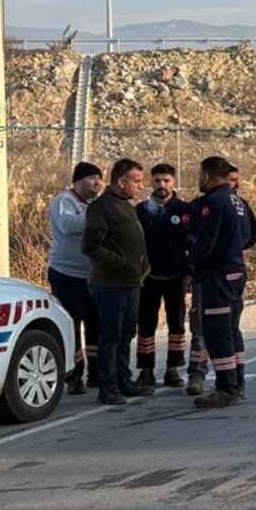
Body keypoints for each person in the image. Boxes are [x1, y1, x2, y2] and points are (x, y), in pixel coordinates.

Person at [81, 157, 153, 406]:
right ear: (121, 182)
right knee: (110, 337)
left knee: (125, 335)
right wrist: (121, 263)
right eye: (137, 181)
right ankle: (108, 386)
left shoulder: (126, 205)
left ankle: (124, 380)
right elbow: (91, 246)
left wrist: (142, 269)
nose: (141, 186)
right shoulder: (101, 208)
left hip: (131, 284)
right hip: (111, 284)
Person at [190, 155, 255, 409]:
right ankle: (237, 384)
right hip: (235, 272)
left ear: (206, 176)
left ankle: (226, 388)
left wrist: (191, 263)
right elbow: (249, 235)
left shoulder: (213, 203)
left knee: (218, 333)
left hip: (217, 276)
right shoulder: (237, 202)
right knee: (231, 330)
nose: (199, 180)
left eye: (199, 176)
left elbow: (205, 242)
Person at [135, 163, 193, 388]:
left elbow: (192, 245)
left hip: (176, 277)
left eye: (166, 180)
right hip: (148, 278)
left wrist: (189, 273)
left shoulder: (184, 210)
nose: (162, 185)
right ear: (152, 182)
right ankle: (146, 370)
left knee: (176, 324)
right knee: (146, 325)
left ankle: (173, 369)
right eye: (157, 180)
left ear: (174, 182)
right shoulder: (141, 210)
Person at [48, 161, 103, 394]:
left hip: (92, 276)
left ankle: (96, 372)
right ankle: (74, 374)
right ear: (78, 180)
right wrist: (98, 219)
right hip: (67, 274)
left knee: (95, 325)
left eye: (100, 178)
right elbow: (68, 226)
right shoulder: (65, 201)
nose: (97, 183)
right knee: (72, 325)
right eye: (92, 178)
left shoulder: (93, 205)